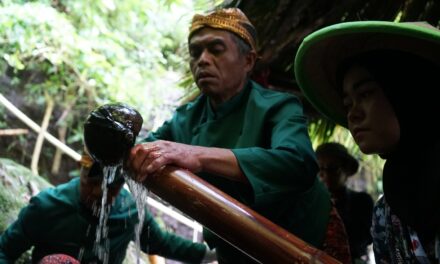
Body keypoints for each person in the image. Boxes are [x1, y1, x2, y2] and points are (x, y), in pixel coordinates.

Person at [126, 7, 351, 263]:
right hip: (234, 247)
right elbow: (142, 151)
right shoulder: (185, 118)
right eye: (195, 52)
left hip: (305, 241)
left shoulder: (278, 106)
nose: (203, 60)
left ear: (248, 61)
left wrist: (197, 156)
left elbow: (298, 162)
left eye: (216, 49)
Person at [295, 21, 440, 263]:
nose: (353, 114)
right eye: (347, 104)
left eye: (365, 94)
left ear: (408, 93)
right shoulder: (387, 212)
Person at [0, 154, 214, 264]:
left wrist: (210, 255)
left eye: (109, 188)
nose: (97, 193)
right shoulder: (47, 206)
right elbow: (5, 250)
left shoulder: (130, 212)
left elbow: (162, 243)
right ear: (80, 170)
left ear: (122, 185)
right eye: (91, 182)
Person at [316, 142, 374, 263]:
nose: (325, 175)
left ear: (347, 170)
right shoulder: (311, 203)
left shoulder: (362, 201)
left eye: (333, 169)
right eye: (320, 169)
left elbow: (363, 240)